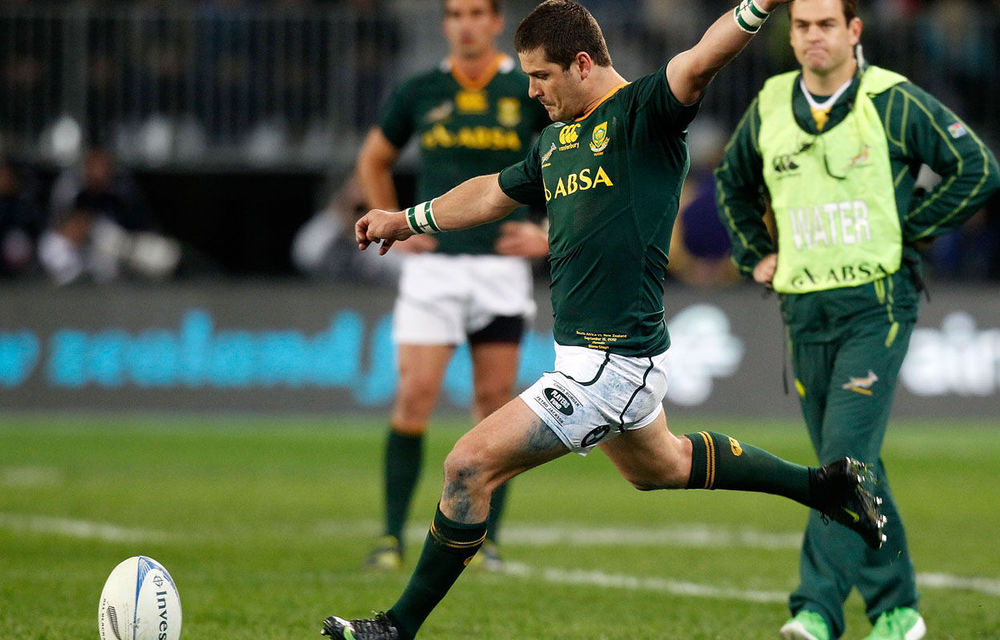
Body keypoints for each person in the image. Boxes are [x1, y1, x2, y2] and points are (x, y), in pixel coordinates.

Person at [325, 2, 889, 639]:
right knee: (664, 467)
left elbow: (703, 57)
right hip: (596, 361)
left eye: (540, 77)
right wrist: (408, 218)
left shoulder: (644, 113)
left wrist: (757, 7)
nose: (531, 89)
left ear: (582, 64)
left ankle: (396, 627)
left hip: (611, 364)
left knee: (466, 466)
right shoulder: (556, 138)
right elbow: (488, 192)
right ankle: (824, 487)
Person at [713, 1, 1000, 639]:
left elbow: (978, 169)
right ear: (792, 35)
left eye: (826, 24)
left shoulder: (892, 100)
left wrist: (910, 231)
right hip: (804, 311)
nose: (813, 35)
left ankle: (814, 612)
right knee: (855, 464)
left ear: (854, 32)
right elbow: (730, 183)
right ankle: (898, 608)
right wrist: (755, 254)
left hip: (877, 307)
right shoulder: (768, 102)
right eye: (803, 25)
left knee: (842, 461)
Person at [353, 0, 551, 573]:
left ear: (495, 24)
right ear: (446, 25)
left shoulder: (524, 89)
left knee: (495, 405)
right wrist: (390, 214)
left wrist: (546, 231)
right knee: (415, 395)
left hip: (499, 269)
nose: (465, 23)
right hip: (433, 270)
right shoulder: (418, 89)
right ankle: (390, 536)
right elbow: (374, 158)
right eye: (455, 13)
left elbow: (569, 158)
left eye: (475, 13)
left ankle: (484, 540)